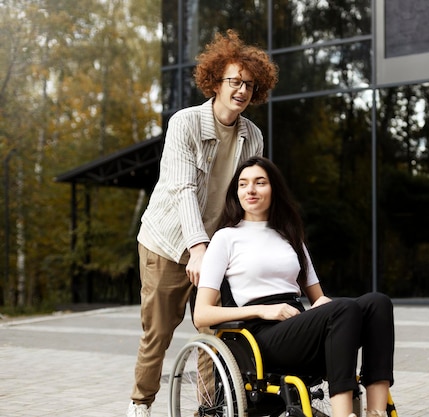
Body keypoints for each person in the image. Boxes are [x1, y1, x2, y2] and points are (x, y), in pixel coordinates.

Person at [127, 30, 278, 417]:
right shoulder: (186, 124)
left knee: (214, 330)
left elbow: (245, 198)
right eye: (234, 81)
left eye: (249, 84)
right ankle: (140, 404)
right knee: (158, 333)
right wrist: (197, 248)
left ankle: (209, 409)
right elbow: (182, 189)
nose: (241, 90)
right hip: (167, 242)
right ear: (216, 82)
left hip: (213, 244)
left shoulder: (252, 136)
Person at [194, 156, 395, 417]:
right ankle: (344, 414)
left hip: (299, 325)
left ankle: (377, 412)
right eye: (243, 184)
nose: (250, 190)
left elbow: (319, 299)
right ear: (236, 192)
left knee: (377, 303)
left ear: (274, 189)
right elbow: (202, 314)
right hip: (261, 336)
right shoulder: (225, 238)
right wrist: (263, 311)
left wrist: (322, 304)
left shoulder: (290, 236)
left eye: (260, 182)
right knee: (344, 309)